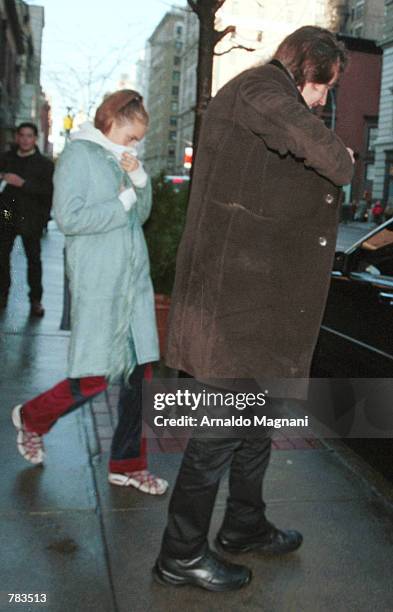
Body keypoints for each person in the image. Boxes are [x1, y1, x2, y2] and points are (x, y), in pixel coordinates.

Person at [153, 26, 354, 590]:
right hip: (232, 310)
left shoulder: (266, 95)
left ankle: (243, 525)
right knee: (219, 432)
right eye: (325, 87)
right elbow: (294, 128)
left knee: (255, 426)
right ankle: (180, 554)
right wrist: (340, 155)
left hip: (255, 308)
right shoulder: (260, 87)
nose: (322, 100)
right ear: (307, 67)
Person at [11, 90, 168, 496]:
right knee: (94, 376)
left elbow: (141, 214)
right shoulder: (79, 155)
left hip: (132, 283)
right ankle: (32, 418)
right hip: (100, 283)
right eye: (132, 136)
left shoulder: (120, 158)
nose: (135, 145)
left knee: (140, 375)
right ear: (113, 121)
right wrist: (121, 203)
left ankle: (128, 465)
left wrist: (139, 181)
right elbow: (71, 217)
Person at [0, 122, 54, 316]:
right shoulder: (6, 159)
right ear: (17, 137)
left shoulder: (45, 164)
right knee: (2, 257)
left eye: (29, 136)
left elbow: (48, 191)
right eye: (21, 135)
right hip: (7, 215)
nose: (24, 139)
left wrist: (23, 183)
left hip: (31, 218)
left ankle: (35, 300)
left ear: (35, 138)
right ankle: (2, 295)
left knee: (34, 260)